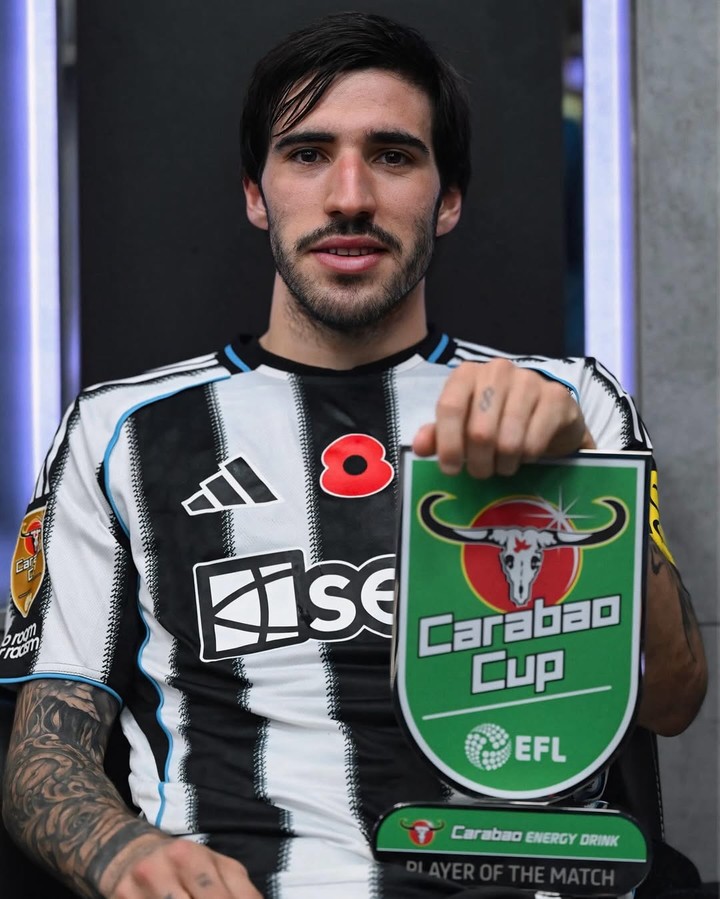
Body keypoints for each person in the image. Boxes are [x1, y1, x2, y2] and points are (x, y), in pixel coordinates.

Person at [0, 12, 707, 899]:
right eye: (307, 154)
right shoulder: (119, 431)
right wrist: (121, 852)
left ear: (447, 199)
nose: (349, 196)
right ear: (256, 195)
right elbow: (45, 749)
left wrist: (575, 473)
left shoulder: (572, 401)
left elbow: (673, 696)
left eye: (393, 155)